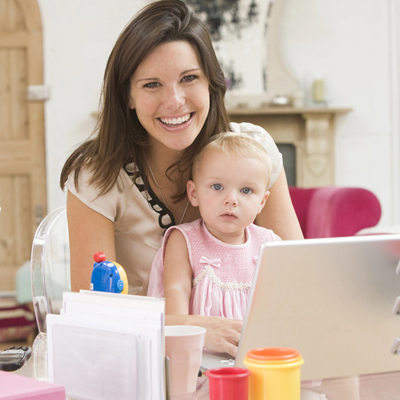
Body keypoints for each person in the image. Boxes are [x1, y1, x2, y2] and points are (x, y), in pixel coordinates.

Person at [60, 0, 303, 356]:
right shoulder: (96, 176)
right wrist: (189, 327)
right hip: (142, 359)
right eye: (152, 85)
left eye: (189, 78)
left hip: (250, 353)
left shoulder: (256, 151)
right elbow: (94, 312)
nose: (174, 101)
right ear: (127, 94)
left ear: (212, 83)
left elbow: (296, 276)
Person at [148, 133, 281, 324]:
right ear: (194, 193)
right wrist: (181, 341)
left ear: (262, 201)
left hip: (256, 350)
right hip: (202, 347)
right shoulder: (184, 240)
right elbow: (176, 291)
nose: (231, 200)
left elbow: (285, 297)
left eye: (246, 190)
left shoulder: (270, 243)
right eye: (217, 186)